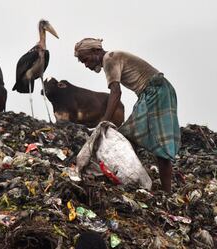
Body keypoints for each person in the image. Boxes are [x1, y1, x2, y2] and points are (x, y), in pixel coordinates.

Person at [74, 38, 180, 192]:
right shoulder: (112, 58)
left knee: (160, 146)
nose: (86, 64)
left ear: (96, 51)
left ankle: (166, 192)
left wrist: (104, 121)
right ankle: (131, 179)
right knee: (128, 136)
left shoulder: (109, 59)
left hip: (156, 92)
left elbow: (116, 92)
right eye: (82, 62)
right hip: (151, 93)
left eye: (86, 59)